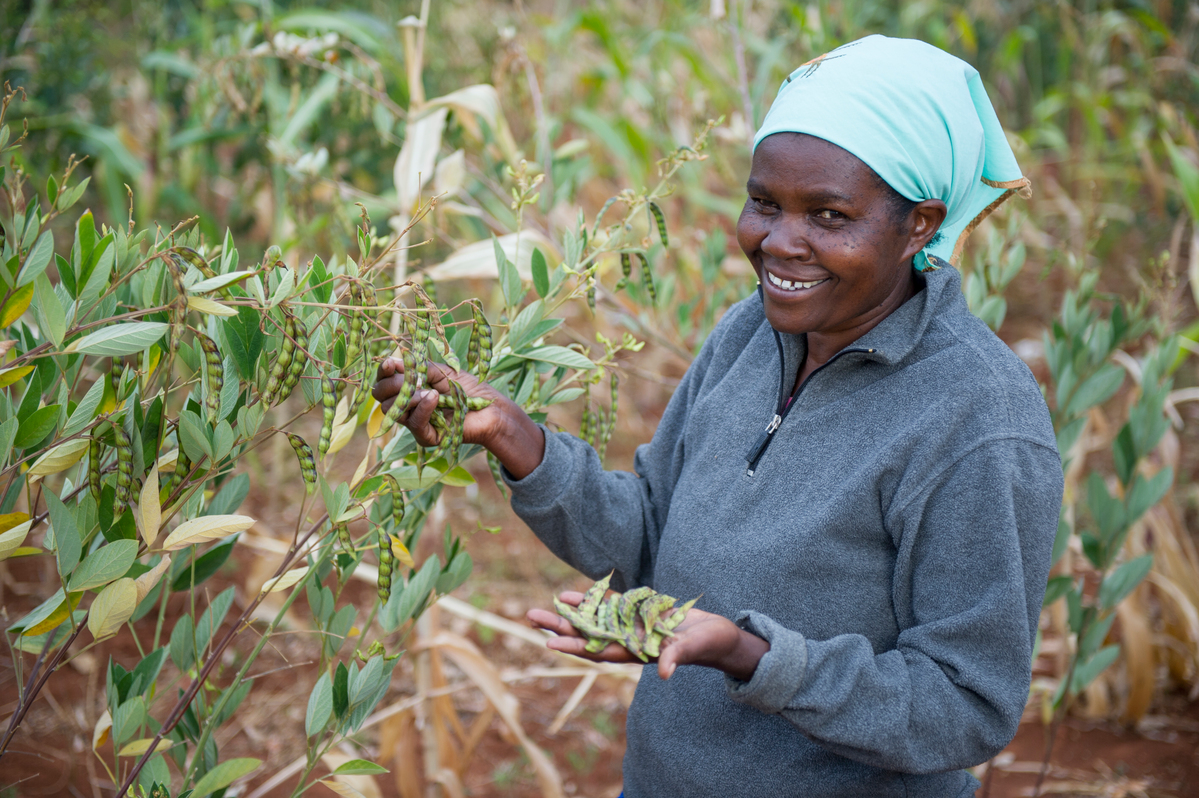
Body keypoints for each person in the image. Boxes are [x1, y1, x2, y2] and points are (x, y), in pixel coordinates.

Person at [373, 34, 1063, 798]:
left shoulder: (976, 420)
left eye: (828, 215)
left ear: (919, 225)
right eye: (763, 202)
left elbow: (963, 706)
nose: (778, 242)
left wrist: (754, 658)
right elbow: (650, 538)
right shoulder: (751, 334)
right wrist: (517, 440)